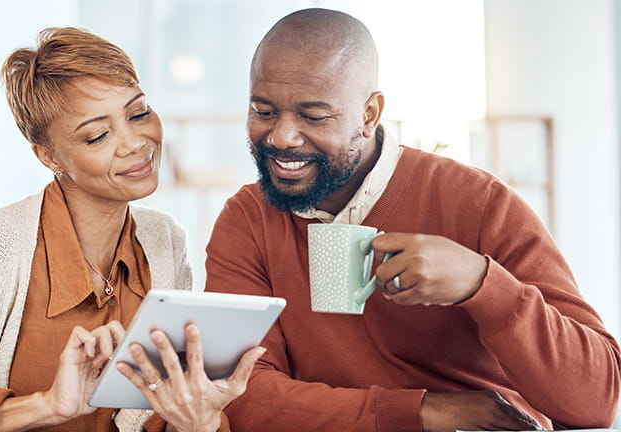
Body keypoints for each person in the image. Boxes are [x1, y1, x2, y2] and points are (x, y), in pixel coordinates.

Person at [205, 8, 621, 432]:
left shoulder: (478, 203)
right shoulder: (247, 219)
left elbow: (597, 398)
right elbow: (236, 394)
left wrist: (481, 283)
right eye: (264, 111)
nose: (281, 137)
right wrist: (424, 412)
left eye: (313, 117)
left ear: (369, 115)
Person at [0, 27, 263, 432]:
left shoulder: (164, 240)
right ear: (48, 156)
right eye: (97, 135)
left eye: (138, 113)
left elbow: (157, 413)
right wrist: (47, 407)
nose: (135, 142)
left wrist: (197, 421)